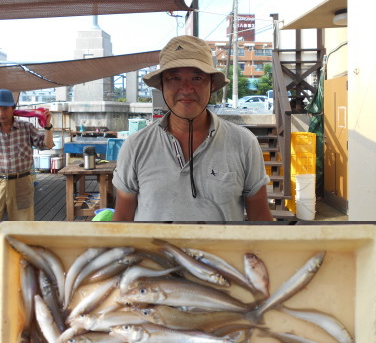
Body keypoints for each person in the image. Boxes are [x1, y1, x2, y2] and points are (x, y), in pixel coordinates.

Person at [112, 35, 273, 222]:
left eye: (197, 78)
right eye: (175, 78)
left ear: (212, 85)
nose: (187, 89)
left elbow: (260, 218)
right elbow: (122, 220)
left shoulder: (244, 143)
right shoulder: (135, 146)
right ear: (161, 85)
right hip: (154, 252)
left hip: (219, 252)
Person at [0, 89, 54, 221]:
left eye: (5, 109)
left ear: (13, 108)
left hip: (21, 182)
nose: (1, 113)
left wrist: (47, 126)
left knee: (23, 223)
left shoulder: (26, 127)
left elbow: (47, 145)